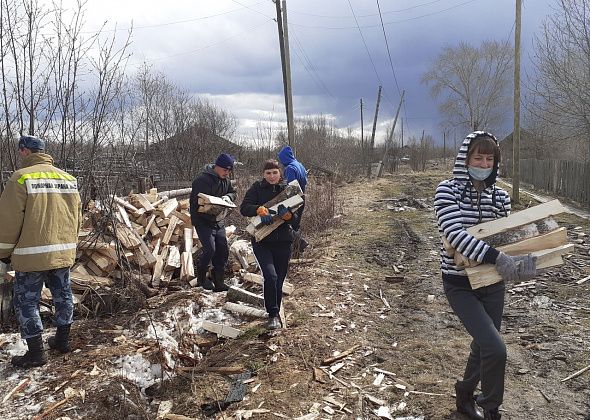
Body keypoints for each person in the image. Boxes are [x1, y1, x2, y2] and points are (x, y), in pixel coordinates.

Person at [434, 131, 537, 420]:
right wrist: (497, 256)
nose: (483, 163)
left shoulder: (500, 197)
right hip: (459, 284)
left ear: (496, 163)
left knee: (483, 345)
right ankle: (491, 408)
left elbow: (506, 238)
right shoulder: (447, 191)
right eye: (477, 157)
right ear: (465, 159)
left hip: (492, 282)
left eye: (489, 158)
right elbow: (453, 234)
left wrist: (522, 263)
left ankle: (465, 393)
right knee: (496, 348)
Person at [0, 135, 81, 368]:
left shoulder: (20, 178)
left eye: (20, 151)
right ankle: (62, 340)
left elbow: (8, 221)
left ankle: (36, 352)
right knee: (63, 295)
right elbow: (77, 218)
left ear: (25, 151)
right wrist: (70, 246)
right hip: (62, 253)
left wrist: (4, 252)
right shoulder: (68, 179)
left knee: (26, 301)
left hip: (30, 255)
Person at [240, 159, 298, 330]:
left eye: (275, 172)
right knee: (270, 276)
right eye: (268, 173)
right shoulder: (257, 188)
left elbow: (296, 223)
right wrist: (258, 209)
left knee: (279, 280)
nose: (272, 176)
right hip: (262, 241)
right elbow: (244, 208)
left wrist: (289, 217)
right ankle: (272, 314)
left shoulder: (288, 190)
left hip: (283, 241)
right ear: (263, 174)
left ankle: (277, 310)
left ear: (280, 173)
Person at [189, 153, 237, 292]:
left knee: (223, 251)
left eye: (229, 171)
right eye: (225, 170)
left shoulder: (226, 181)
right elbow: (194, 203)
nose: (227, 173)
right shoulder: (201, 181)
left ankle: (219, 281)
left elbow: (233, 192)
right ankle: (202, 279)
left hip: (218, 220)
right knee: (210, 249)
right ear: (217, 166)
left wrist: (228, 197)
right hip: (203, 221)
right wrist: (205, 208)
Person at [277, 145, 308, 251]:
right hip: (302, 197)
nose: (280, 162)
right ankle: (298, 250)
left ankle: (300, 244)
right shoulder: (299, 165)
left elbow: (290, 188)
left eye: (281, 159)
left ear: (284, 158)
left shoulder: (290, 168)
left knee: (289, 225)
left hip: (294, 199)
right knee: (296, 225)